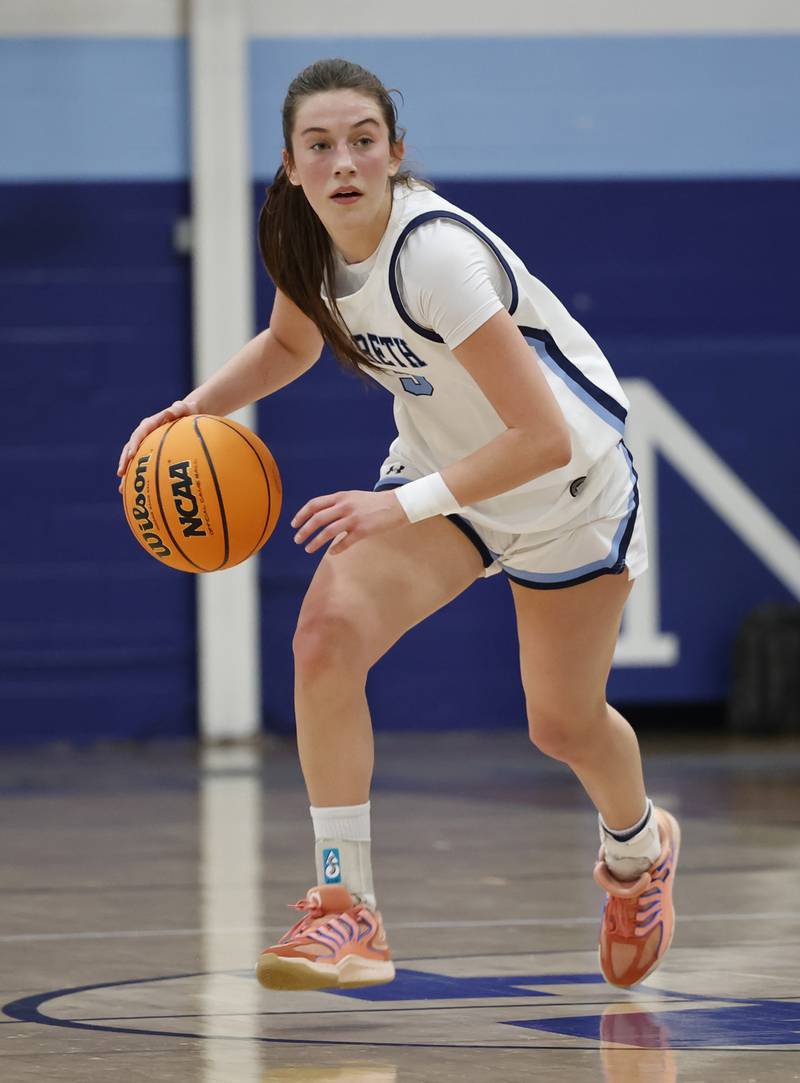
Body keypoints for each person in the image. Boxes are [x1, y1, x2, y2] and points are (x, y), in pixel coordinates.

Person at [117, 58, 680, 994]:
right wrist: (193, 409)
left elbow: (538, 436)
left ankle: (638, 851)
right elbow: (293, 342)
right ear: (292, 166)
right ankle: (348, 910)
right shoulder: (299, 235)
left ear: (396, 153)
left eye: (362, 142)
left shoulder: (436, 259)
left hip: (564, 488)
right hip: (442, 474)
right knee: (325, 635)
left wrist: (397, 503)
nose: (343, 162)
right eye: (320, 145)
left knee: (564, 724)